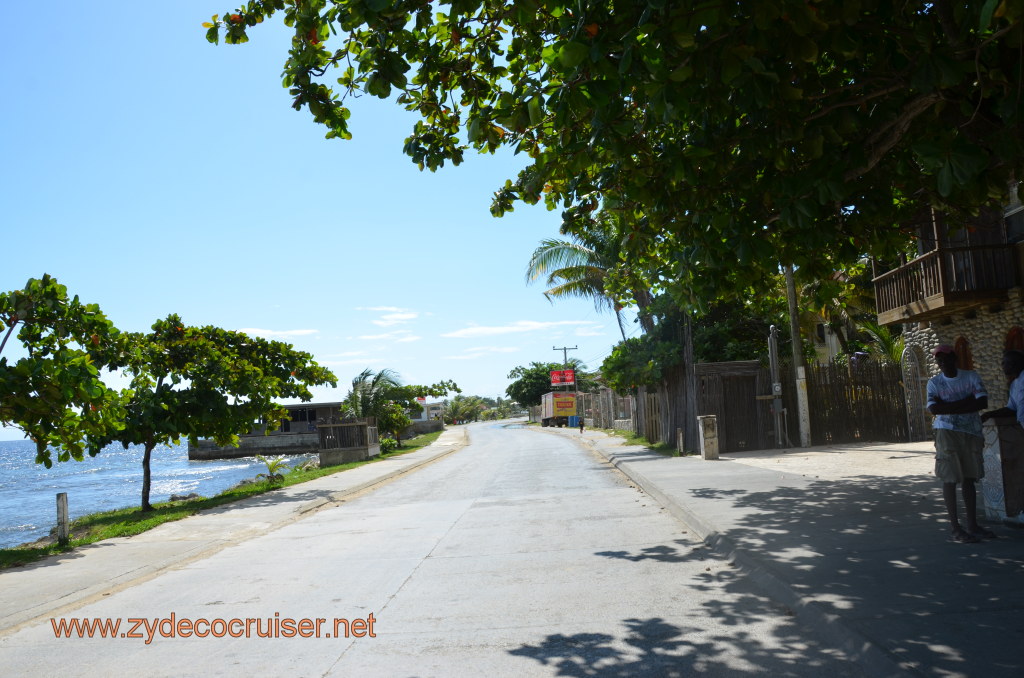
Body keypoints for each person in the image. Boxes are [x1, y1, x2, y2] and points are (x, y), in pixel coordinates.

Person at [926, 344, 995, 543]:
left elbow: (982, 403)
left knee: (969, 477)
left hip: (971, 432)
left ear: (954, 358)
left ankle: (972, 525)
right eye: (939, 359)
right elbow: (934, 409)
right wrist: (966, 403)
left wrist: (948, 407)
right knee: (949, 478)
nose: (942, 362)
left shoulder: (971, 377)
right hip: (947, 432)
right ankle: (955, 527)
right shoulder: (934, 383)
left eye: (946, 358)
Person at [981, 349, 1024, 428]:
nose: (1002, 365)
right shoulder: (1014, 385)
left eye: (1004, 362)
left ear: (1012, 364)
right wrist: (989, 414)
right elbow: (1011, 409)